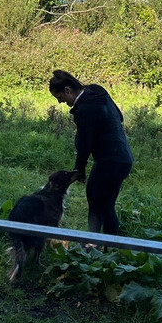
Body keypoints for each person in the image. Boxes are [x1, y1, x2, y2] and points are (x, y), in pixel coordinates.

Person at [48, 69, 133, 236]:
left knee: (100, 203)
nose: (60, 102)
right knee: (101, 201)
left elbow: (84, 143)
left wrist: (79, 169)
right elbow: (120, 117)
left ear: (67, 90)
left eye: (59, 97)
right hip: (122, 157)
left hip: (110, 161)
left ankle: (96, 244)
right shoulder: (97, 91)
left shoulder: (84, 109)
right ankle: (102, 245)